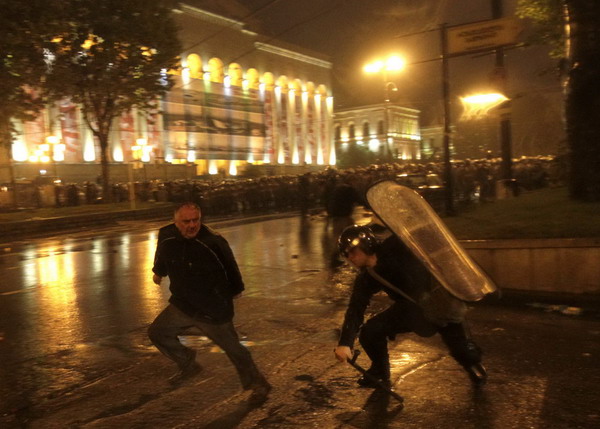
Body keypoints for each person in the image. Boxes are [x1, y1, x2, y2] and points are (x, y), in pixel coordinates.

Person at [333, 223, 487, 389]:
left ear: (366, 244)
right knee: (370, 331)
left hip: (439, 301)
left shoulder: (397, 245)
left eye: (352, 251)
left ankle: (474, 366)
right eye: (346, 254)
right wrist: (345, 343)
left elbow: (428, 232)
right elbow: (356, 308)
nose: (350, 257)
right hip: (411, 310)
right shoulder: (367, 277)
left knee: (463, 350)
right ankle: (380, 373)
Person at [148, 202, 271, 401]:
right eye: (186, 221)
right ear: (176, 222)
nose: (192, 225)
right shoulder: (167, 236)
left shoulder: (212, 241)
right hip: (183, 304)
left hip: (211, 309)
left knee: (234, 350)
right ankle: (188, 362)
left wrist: (235, 290)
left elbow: (230, 266)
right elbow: (162, 254)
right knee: (158, 332)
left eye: (196, 220)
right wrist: (158, 272)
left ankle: (259, 384)